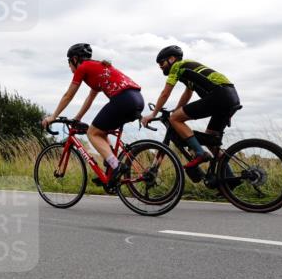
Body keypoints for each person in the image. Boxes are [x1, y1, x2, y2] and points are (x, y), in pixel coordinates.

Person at [42, 43, 145, 186]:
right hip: (137, 99)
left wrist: (53, 116)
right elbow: (90, 98)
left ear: (75, 59)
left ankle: (116, 166)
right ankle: (111, 170)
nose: (69, 66)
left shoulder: (83, 67)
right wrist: (78, 118)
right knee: (101, 133)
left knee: (92, 133)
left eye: (68, 62)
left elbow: (68, 95)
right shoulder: (96, 68)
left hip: (123, 99)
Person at [140, 45, 240, 173]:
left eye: (161, 62)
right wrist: (176, 110)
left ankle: (199, 153)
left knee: (174, 119)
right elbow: (188, 94)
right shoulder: (189, 70)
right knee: (210, 140)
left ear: (172, 59)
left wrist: (153, 114)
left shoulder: (178, 66)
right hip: (231, 97)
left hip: (219, 95)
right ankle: (229, 180)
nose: (160, 66)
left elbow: (165, 93)